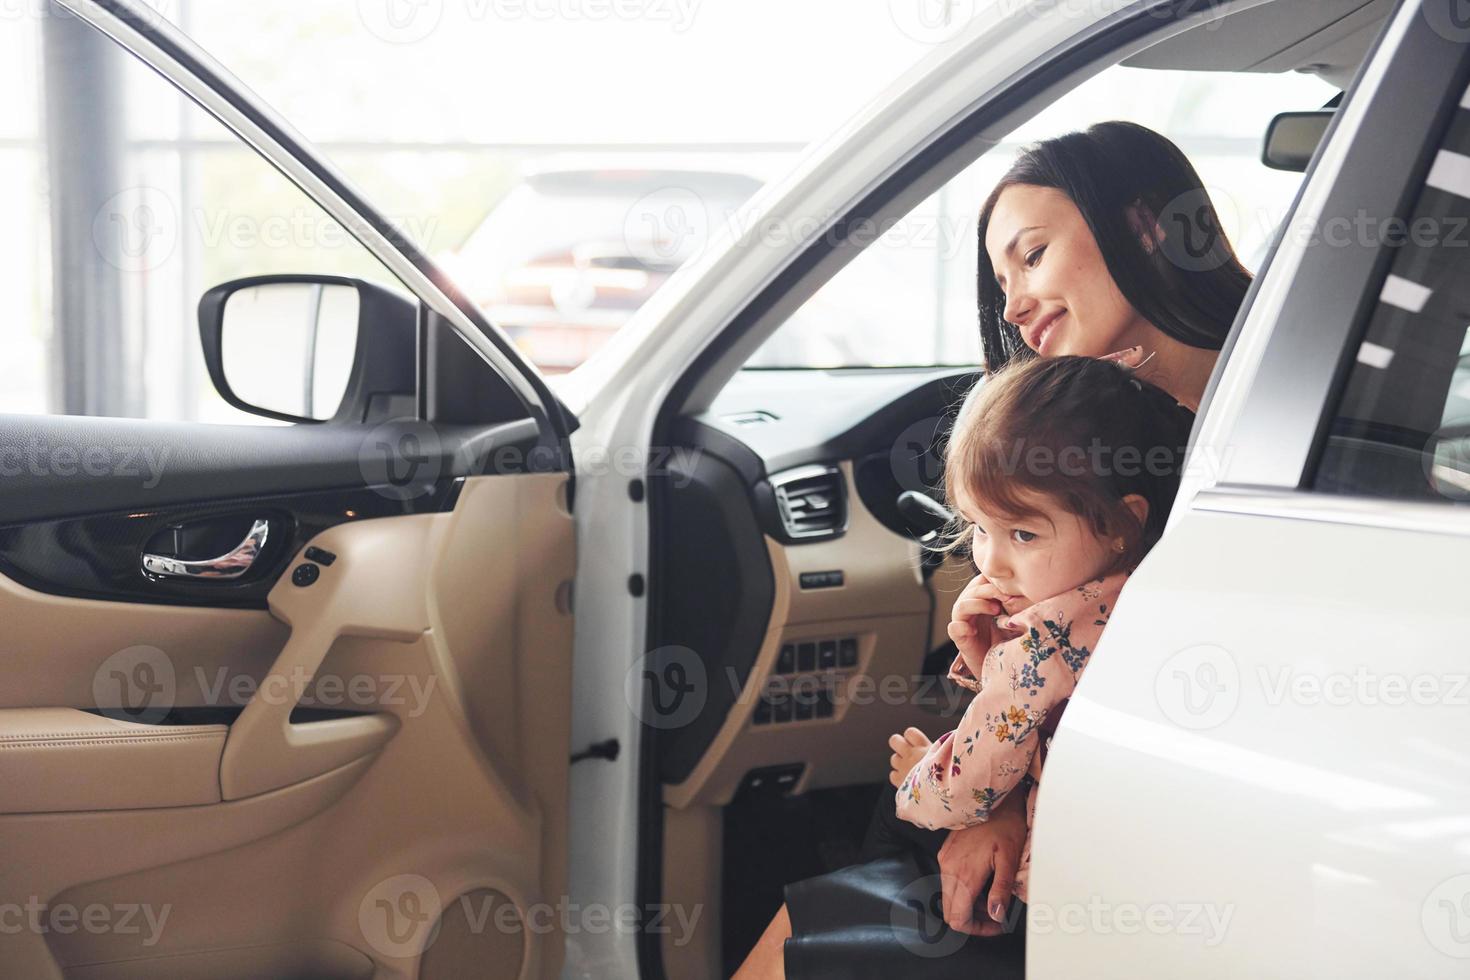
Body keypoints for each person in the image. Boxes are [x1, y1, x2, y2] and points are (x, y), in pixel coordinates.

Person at [732, 120, 1250, 980]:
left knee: (822, 932)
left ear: (1146, 227)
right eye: (1000, 278)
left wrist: (1000, 804)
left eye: (1034, 254)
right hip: (1037, 791)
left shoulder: (1267, 437)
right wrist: (995, 791)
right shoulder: (1099, 427)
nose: (1011, 305)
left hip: (1127, 838)